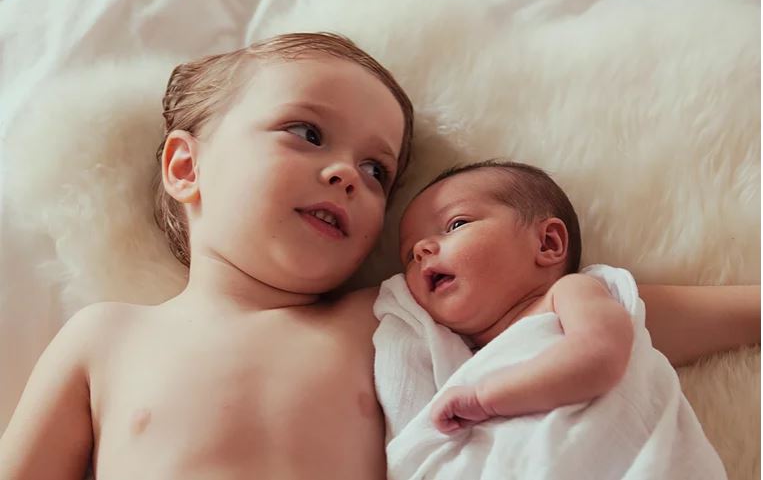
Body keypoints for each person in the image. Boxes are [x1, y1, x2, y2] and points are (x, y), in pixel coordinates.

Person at [0, 33, 757, 479]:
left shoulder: (387, 313)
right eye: (306, 133)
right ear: (186, 165)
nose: (345, 174)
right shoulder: (104, 336)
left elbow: (578, 313)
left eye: (376, 171)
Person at [380, 160, 734, 478]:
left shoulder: (571, 293)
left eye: (456, 224)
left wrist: (485, 399)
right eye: (410, 255)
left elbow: (601, 356)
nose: (422, 250)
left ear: (547, 243)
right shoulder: (452, 361)